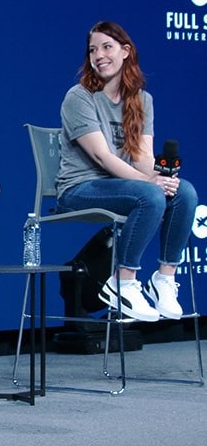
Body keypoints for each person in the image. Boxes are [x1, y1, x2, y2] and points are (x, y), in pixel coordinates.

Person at [56, 21, 196, 322]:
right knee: (149, 196)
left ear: (125, 51)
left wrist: (160, 178)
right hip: (79, 189)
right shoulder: (78, 97)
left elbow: (143, 158)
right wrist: (150, 183)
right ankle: (123, 281)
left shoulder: (142, 100)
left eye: (107, 47)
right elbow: (102, 156)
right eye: (93, 49)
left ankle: (164, 280)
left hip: (122, 186)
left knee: (184, 191)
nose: (99, 55)